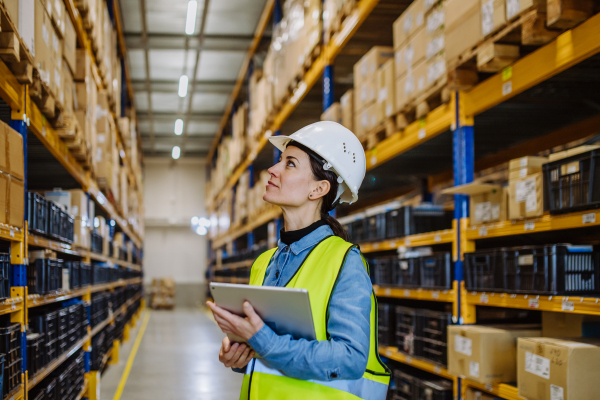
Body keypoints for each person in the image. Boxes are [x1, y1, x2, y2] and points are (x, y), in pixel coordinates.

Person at [207, 121, 390, 399]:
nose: (273, 170)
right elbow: (267, 356)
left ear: (318, 189)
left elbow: (350, 358)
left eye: (289, 164)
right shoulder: (264, 263)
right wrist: (240, 357)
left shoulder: (343, 261)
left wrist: (263, 342)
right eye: (280, 161)